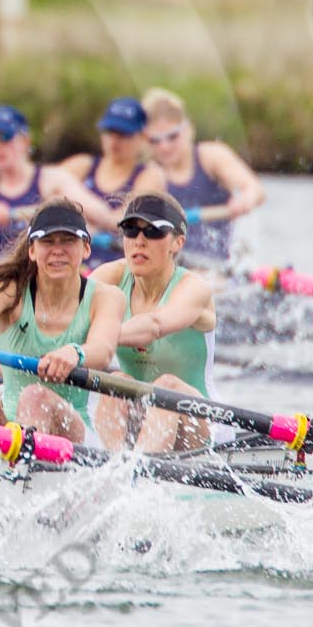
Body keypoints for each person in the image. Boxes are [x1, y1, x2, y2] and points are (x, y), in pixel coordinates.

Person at [0, 202, 124, 448]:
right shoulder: (12, 289)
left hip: (73, 437)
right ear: (32, 250)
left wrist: (74, 352)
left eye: (67, 241)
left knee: (35, 395)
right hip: (12, 428)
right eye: (48, 242)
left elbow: (103, 349)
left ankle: (19, 474)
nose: (58, 250)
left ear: (85, 248)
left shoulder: (106, 296)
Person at [90, 192, 218, 451]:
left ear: (177, 242)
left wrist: (100, 336)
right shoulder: (111, 276)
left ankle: (132, 473)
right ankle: (111, 467)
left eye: (153, 232)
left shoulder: (194, 288)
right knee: (118, 381)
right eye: (130, 230)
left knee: (166, 386)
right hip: (139, 416)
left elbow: (154, 326)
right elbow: (67, 317)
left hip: (203, 424)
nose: (139, 241)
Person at [0, 103, 112, 265]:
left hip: (39, 267)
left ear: (25, 140)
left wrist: (19, 213)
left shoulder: (51, 179)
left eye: (4, 137)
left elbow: (101, 215)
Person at [140, 88, 265, 262]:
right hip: (170, 267)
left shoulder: (211, 156)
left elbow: (254, 188)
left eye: (172, 136)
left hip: (217, 267)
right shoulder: (147, 174)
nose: (164, 146)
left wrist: (245, 199)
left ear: (189, 129)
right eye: (155, 140)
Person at [60, 96, 167, 220]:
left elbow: (129, 220)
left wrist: (80, 204)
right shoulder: (81, 165)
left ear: (142, 137)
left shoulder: (150, 175)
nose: (114, 141)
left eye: (123, 134)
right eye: (110, 132)